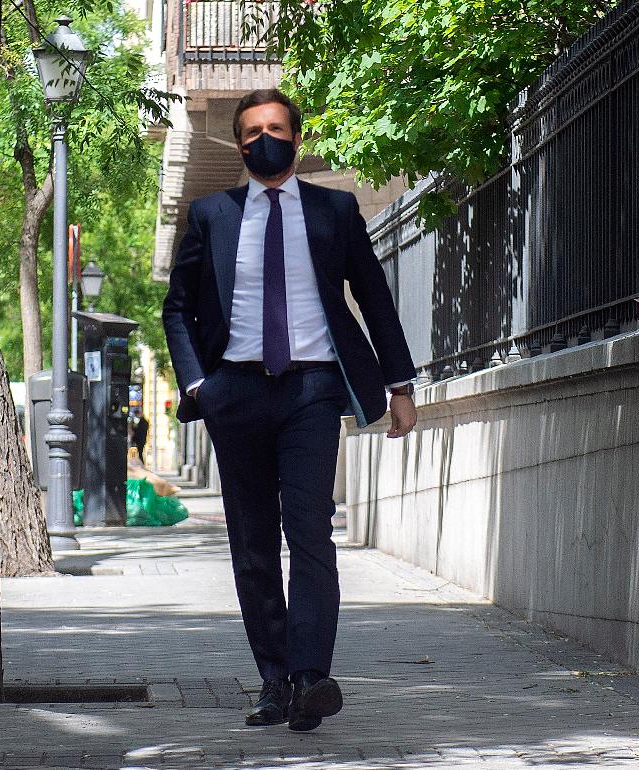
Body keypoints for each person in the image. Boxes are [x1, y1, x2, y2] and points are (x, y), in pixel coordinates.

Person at [162, 89, 418, 732]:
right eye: (250, 131)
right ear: (239, 142)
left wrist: (400, 384)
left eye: (274, 128)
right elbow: (178, 308)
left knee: (309, 531)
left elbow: (375, 297)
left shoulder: (335, 210)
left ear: (296, 139)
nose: (262, 139)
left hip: (312, 388)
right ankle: (273, 682)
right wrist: (197, 384)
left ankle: (311, 676)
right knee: (252, 544)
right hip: (236, 393)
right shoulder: (211, 214)